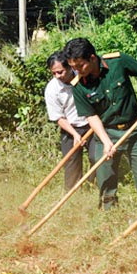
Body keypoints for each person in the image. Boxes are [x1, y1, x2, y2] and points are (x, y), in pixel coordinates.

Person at [64, 38, 137, 210]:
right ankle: (109, 215)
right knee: (105, 179)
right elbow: (91, 116)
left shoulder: (117, 61)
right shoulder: (78, 86)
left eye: (79, 66)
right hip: (105, 132)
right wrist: (106, 142)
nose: (76, 71)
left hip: (134, 128)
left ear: (92, 58)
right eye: (73, 67)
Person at [44, 51, 97, 190]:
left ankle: (93, 186)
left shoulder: (83, 77)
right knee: (71, 164)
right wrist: (75, 134)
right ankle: (73, 195)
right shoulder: (52, 89)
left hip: (92, 124)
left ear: (69, 68)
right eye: (54, 73)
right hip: (70, 127)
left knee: (96, 157)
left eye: (60, 72)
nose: (57, 76)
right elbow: (58, 117)